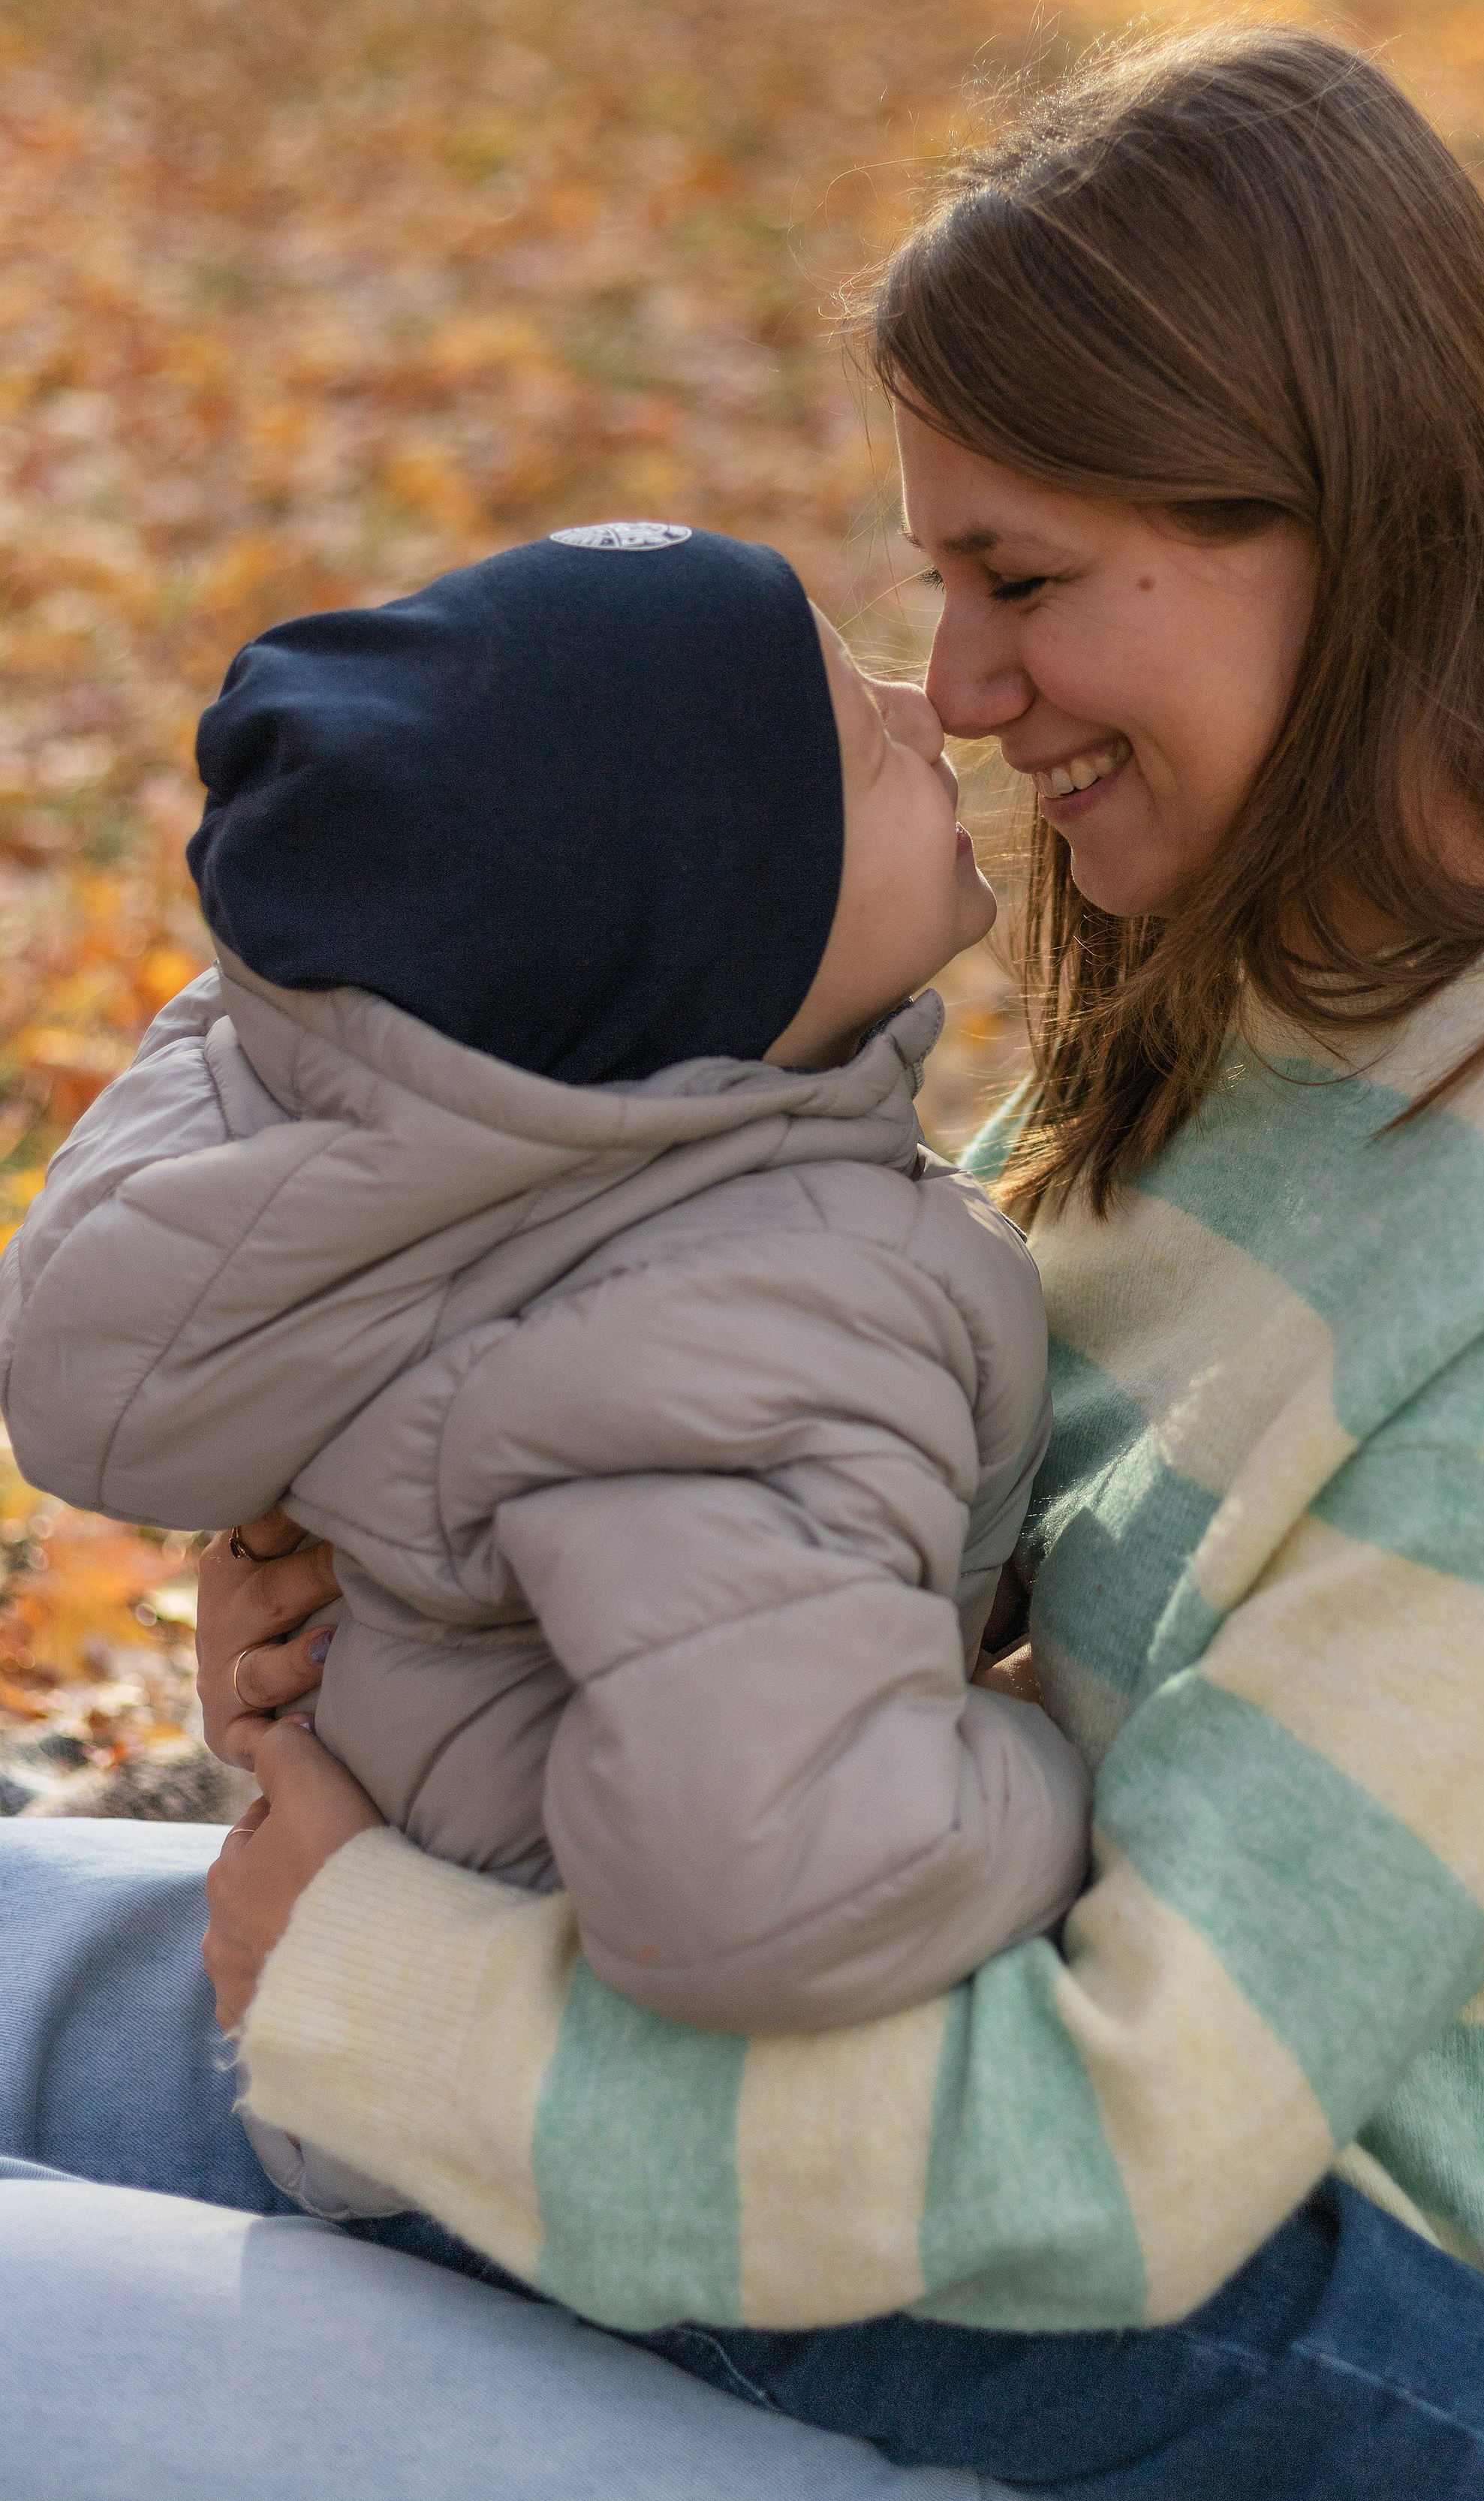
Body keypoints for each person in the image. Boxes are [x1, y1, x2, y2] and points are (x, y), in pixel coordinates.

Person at [0, 21, 1484, 2501]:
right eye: (937, 581)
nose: (966, 692)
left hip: (1251, 2375)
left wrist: (369, 1991)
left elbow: (1130, 2152)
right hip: (835, 2148)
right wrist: (409, 1602)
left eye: (1019, 580)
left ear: (1342, 529)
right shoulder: (1226, 1023)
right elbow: (803, 1542)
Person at [0, 525, 1090, 2205]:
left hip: (367, 2038)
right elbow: (779, 1883)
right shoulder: (762, 1312)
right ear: (722, 939)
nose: (926, 702)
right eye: (861, 743)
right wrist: (1067, 1761)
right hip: (557, 2170)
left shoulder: (488, 1184)